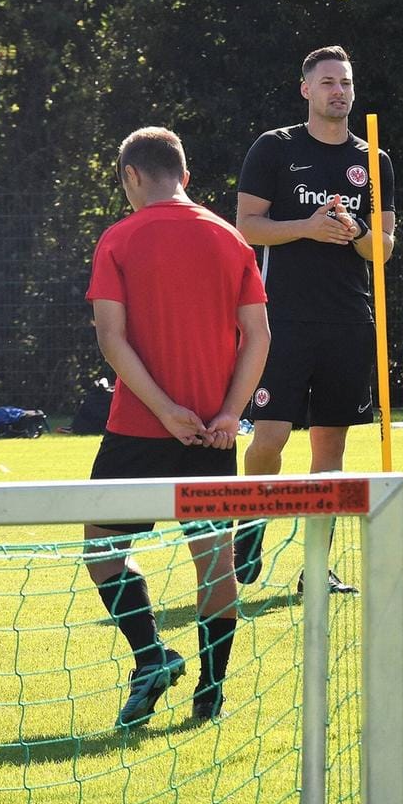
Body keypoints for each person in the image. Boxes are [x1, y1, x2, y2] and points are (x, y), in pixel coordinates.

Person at [83, 127, 270, 726]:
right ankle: (209, 696)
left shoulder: (117, 238)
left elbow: (112, 339)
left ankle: (151, 656)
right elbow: (259, 335)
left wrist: (163, 410)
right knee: (214, 559)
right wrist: (230, 415)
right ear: (185, 176)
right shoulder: (231, 238)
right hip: (213, 435)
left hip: (138, 427)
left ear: (132, 177)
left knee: (102, 546)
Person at [234, 46, 396, 593]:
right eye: (328, 82)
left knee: (330, 448)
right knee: (271, 438)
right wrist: (305, 226)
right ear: (306, 89)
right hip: (284, 321)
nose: (339, 91)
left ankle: (315, 569)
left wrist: (356, 234)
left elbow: (385, 249)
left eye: (346, 82)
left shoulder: (374, 160)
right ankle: (250, 525)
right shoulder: (275, 149)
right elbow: (248, 228)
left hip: (349, 321)